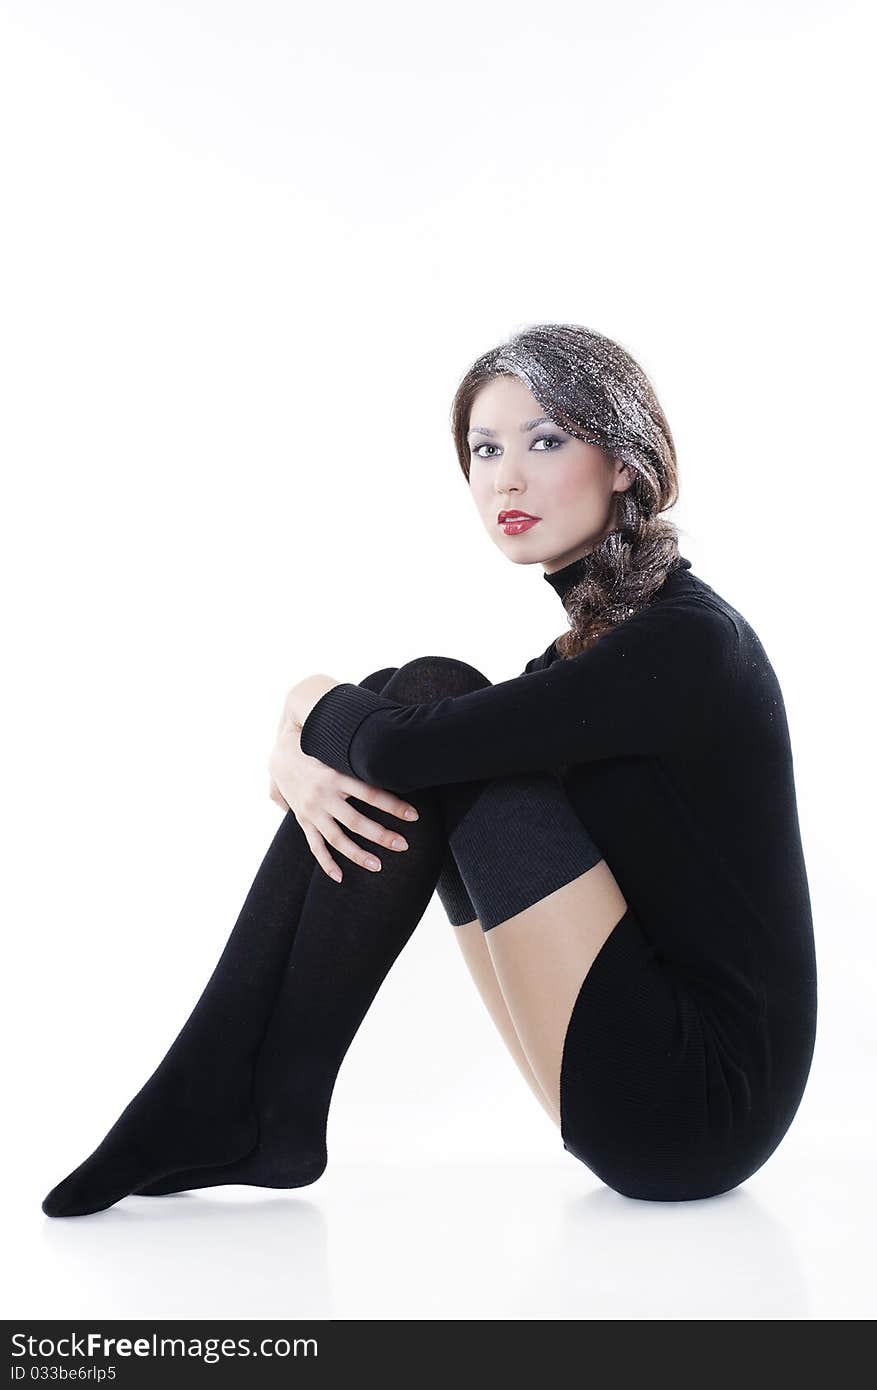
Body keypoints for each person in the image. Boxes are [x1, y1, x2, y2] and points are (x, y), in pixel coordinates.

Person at [42, 323, 817, 1216]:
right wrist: (302, 752)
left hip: (695, 1105)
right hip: (634, 1080)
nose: (507, 478)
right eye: (486, 450)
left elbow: (401, 746)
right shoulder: (587, 662)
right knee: (413, 708)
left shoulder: (685, 645)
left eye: (546, 440)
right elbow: (399, 745)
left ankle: (234, 1097)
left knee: (423, 704)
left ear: (627, 464)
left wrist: (302, 701)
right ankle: (252, 1104)